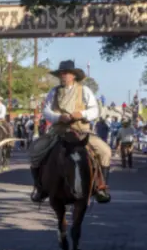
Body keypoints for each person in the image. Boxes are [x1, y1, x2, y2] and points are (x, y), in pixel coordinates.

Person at [28, 60, 111, 203]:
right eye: (61, 73)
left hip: (81, 131)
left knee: (105, 151)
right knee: (35, 150)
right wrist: (58, 117)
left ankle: (101, 188)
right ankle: (39, 188)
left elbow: (94, 110)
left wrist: (82, 114)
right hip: (59, 131)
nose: (63, 76)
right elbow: (46, 111)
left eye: (65, 73)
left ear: (73, 75)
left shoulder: (84, 90)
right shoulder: (54, 91)